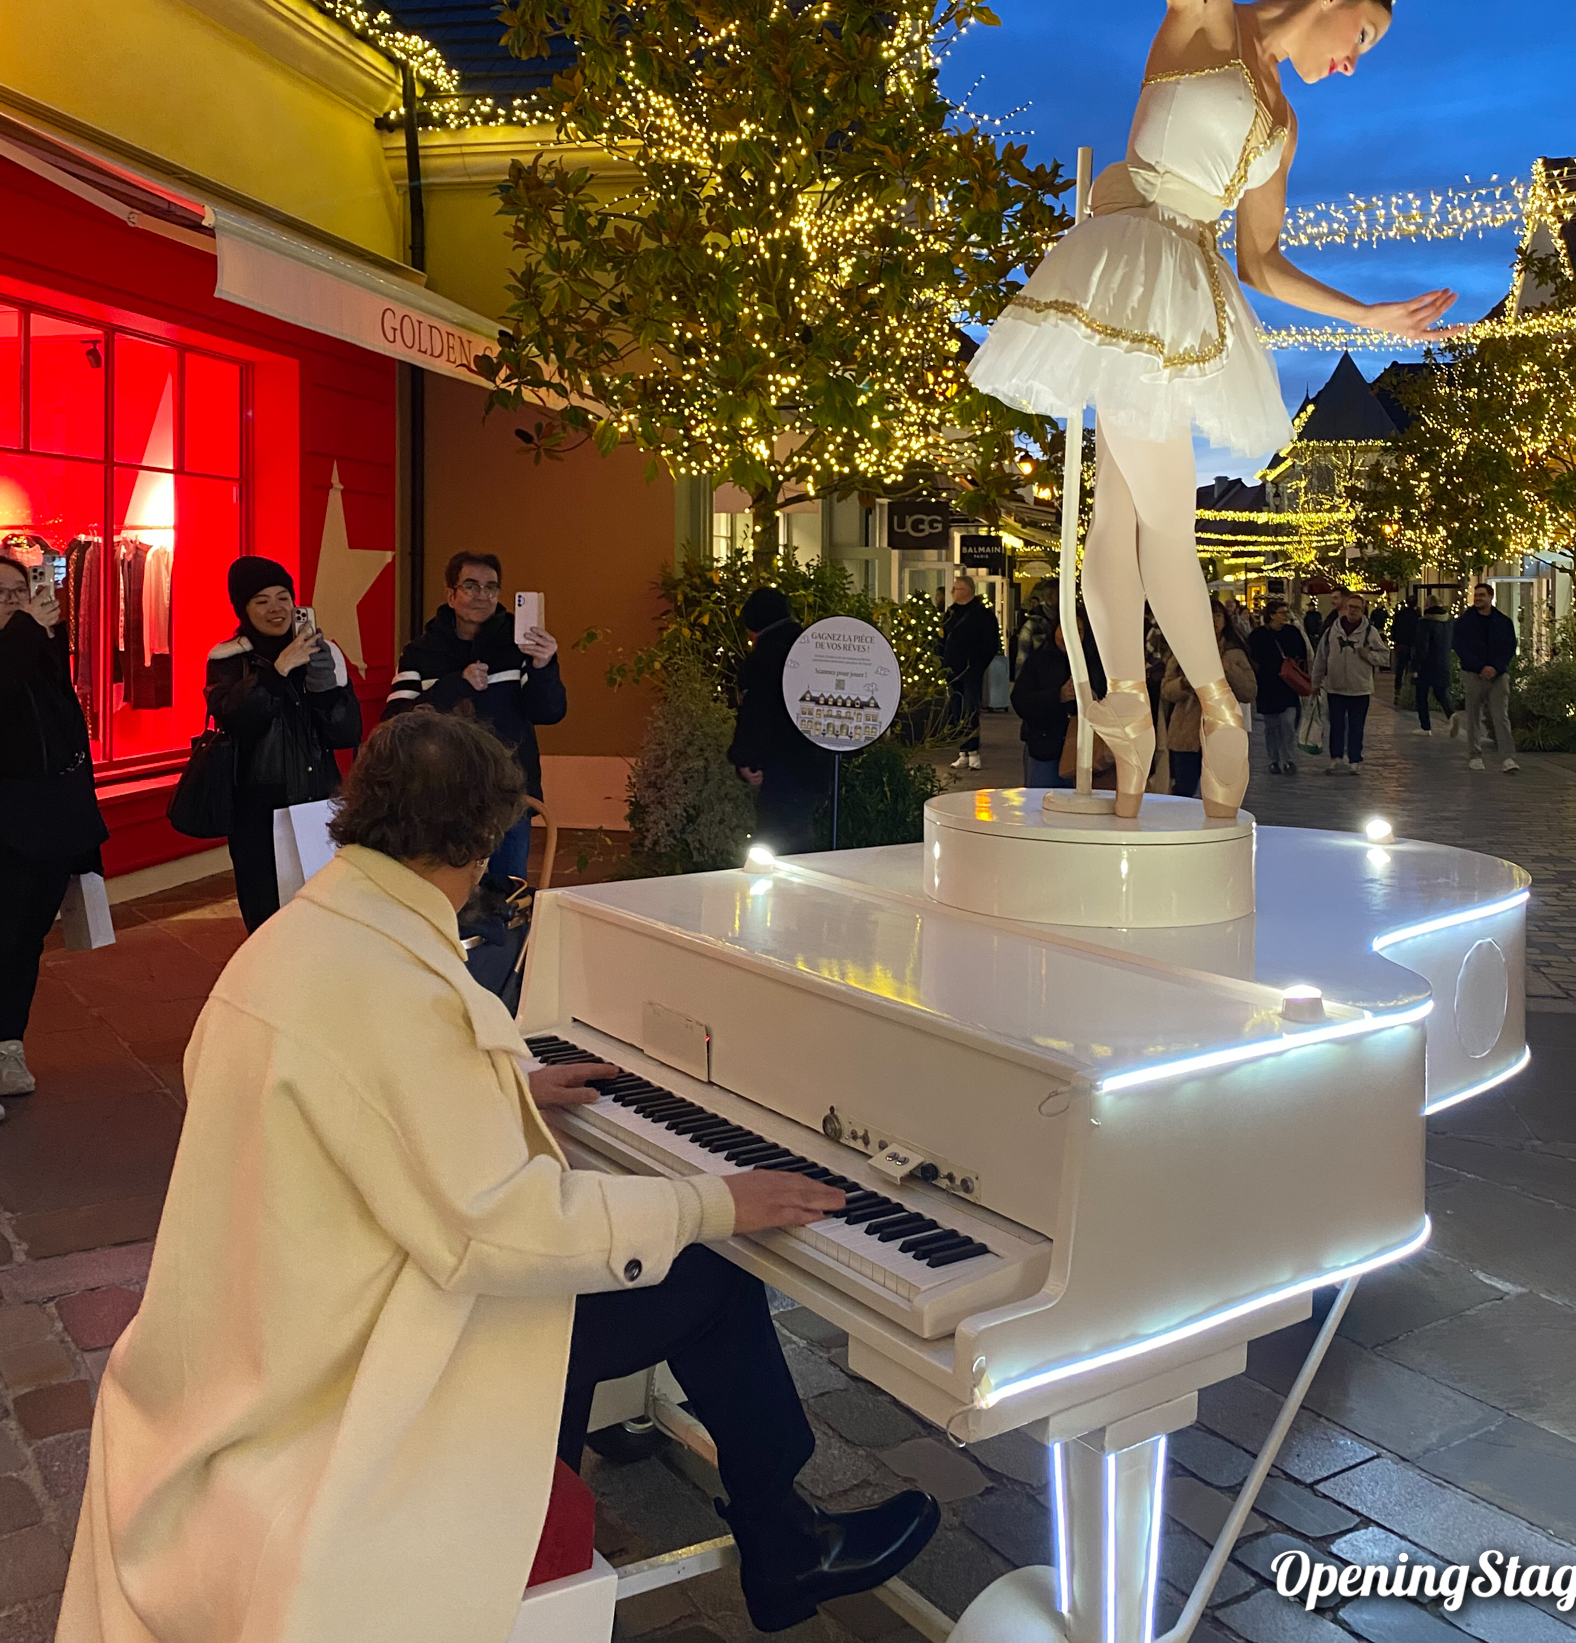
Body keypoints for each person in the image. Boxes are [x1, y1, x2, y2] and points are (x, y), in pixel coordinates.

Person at [58, 711, 937, 1643]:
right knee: (715, 1274)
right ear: (476, 843)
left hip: (280, 1312)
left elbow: (353, 1095)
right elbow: (500, 1229)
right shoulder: (397, 985)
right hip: (374, 1350)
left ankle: (621, 1480)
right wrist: (714, 1200)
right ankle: (782, 1539)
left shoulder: (301, 936)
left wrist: (503, 1085)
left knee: (625, 1279)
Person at [964, 0, 1450, 823]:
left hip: (1189, 293)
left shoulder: (1286, 125)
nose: (1354, 62)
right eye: (1364, 38)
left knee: (1124, 522)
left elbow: (1264, 258)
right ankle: (1214, 715)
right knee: (1154, 521)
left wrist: (1368, 312)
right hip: (1128, 263)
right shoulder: (1205, 6)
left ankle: (1126, 717)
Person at [383, 551, 566, 896]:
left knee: (508, 894)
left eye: (491, 587)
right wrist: (454, 685)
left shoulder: (519, 644)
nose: (482, 595)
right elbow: (396, 722)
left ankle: (508, 951)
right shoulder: (421, 652)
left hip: (508, 794)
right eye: (471, 585)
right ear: (451, 594)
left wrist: (544, 665)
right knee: (445, 897)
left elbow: (548, 712)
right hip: (441, 798)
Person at [0, 553, 108, 1106]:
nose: (14, 603)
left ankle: (8, 1045)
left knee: (25, 942)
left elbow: (70, 740)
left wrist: (83, 831)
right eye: (1, 595)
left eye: (20, 592)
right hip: (8, 828)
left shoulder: (39, 651)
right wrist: (25, 629)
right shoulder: (17, 648)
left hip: (49, 823)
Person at [208, 556, 361, 933]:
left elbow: (346, 734)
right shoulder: (228, 658)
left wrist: (324, 687)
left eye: (284, 598)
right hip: (257, 812)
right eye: (261, 601)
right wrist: (277, 671)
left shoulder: (324, 655)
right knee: (267, 922)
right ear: (243, 608)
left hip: (318, 802)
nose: (276, 609)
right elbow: (234, 715)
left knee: (324, 916)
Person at [729, 587, 832, 852]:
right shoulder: (813, 652)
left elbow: (756, 715)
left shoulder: (761, 661)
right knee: (805, 840)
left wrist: (745, 759)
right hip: (819, 764)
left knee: (776, 844)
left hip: (781, 771)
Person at [1160, 603, 1257, 800]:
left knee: (1219, 795)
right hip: (1186, 732)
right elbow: (1166, 690)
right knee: (1183, 792)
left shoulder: (1234, 652)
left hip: (1222, 732)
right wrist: (1185, 683)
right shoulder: (1182, 651)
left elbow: (1249, 691)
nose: (1213, 621)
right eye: (1207, 615)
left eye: (1217, 616)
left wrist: (1229, 669)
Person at [1311, 592, 1390, 774]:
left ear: (1363, 611)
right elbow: (1321, 658)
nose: (1352, 611)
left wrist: (1368, 655)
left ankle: (1355, 759)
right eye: (1350, 607)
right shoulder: (1332, 630)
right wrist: (1315, 683)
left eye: (1357, 608)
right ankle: (1336, 758)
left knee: (1356, 726)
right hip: (1335, 687)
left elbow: (1385, 656)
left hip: (1359, 688)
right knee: (1336, 725)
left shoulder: (1369, 632)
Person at [1012, 610, 1090, 788]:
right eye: (1065, 628)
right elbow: (1020, 700)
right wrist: (1058, 696)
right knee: (1040, 806)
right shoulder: (1039, 660)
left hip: (1084, 753)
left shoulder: (1092, 662)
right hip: (1045, 749)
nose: (1070, 635)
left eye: (1078, 630)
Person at [1453, 581, 1520, 773]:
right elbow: (1460, 646)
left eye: (1482, 595)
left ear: (1491, 597)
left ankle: (1508, 757)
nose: (1478, 598)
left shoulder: (1503, 621)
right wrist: (1479, 666)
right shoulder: (1465, 622)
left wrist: (1496, 667)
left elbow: (1509, 647)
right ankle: (1475, 755)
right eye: (1476, 595)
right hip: (1473, 673)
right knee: (1473, 714)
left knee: (1501, 715)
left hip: (1498, 675)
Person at [940, 575, 1003, 770]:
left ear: (965, 591)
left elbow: (991, 643)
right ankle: (962, 751)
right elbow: (942, 639)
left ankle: (973, 751)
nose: (952, 592)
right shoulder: (950, 613)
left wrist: (977, 665)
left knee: (970, 710)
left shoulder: (982, 615)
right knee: (956, 710)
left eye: (955, 589)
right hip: (952, 671)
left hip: (971, 670)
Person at [1245, 597, 1309, 774]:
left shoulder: (1292, 633)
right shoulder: (1258, 636)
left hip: (1288, 685)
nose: (1286, 616)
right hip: (1267, 686)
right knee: (1271, 725)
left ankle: (1288, 759)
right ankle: (1273, 759)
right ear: (1271, 615)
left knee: (1288, 722)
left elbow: (1303, 656)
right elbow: (1251, 658)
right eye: (1282, 613)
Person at [1412, 600, 1456, 734]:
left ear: (1428, 606)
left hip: (1426, 665)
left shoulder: (1424, 622)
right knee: (1441, 693)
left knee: (1421, 695)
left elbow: (1422, 646)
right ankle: (1452, 715)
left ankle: (1425, 727)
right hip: (1443, 662)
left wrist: (1415, 666)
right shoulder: (1449, 622)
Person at [1389, 597, 1421, 696]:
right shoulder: (1417, 616)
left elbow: (1393, 628)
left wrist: (1395, 640)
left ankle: (1397, 688)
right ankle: (1409, 689)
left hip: (1401, 645)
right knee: (1411, 668)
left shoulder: (1400, 614)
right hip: (1412, 645)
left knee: (1400, 668)